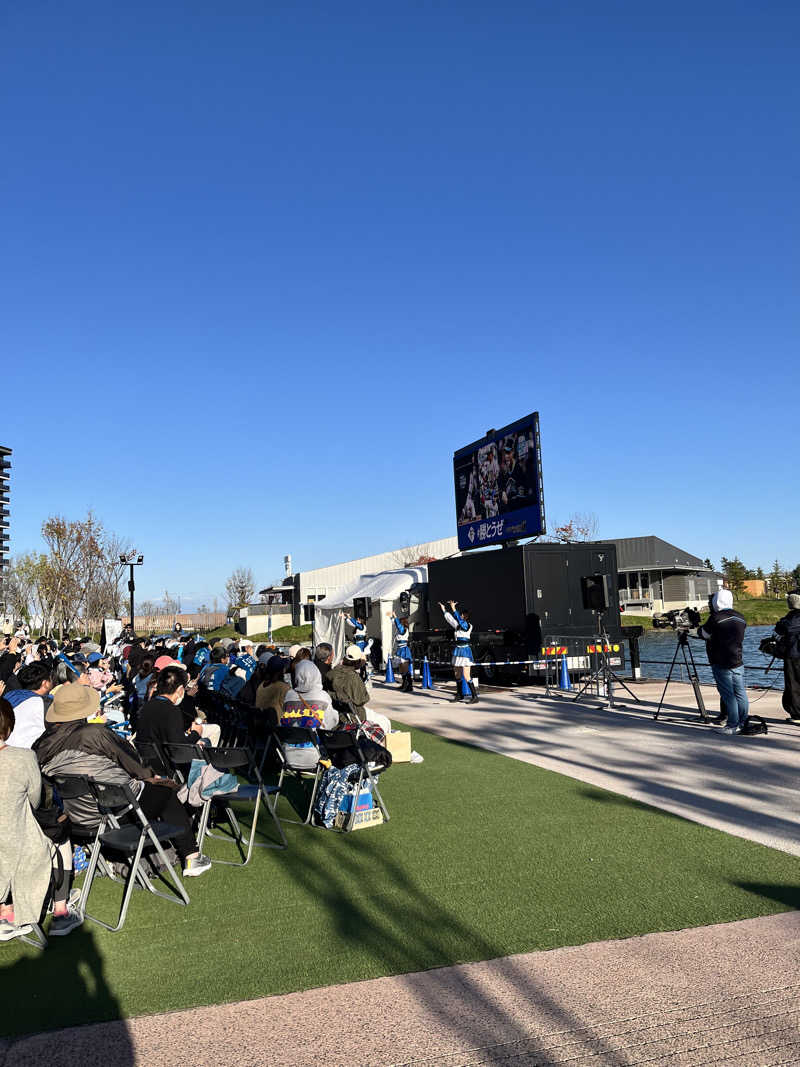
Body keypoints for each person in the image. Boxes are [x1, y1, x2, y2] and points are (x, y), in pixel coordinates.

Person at [34, 683, 212, 878]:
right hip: (112, 811)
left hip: (75, 818)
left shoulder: (42, 745)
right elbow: (136, 766)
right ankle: (191, 855)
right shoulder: (95, 734)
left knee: (148, 789)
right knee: (165, 793)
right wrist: (151, 777)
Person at [0, 699, 60, 941]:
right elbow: (36, 800)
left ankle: (7, 908)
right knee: (47, 838)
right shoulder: (24, 757)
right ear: (9, 727)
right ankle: (11, 911)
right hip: (15, 843)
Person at [696, 589, 749, 734]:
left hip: (720, 660)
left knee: (727, 694)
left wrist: (699, 629)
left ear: (716, 601)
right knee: (740, 692)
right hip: (737, 659)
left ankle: (732, 725)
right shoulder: (741, 617)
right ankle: (743, 722)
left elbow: (704, 634)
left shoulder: (716, 618)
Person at [280, 660, 338, 770]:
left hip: (288, 755)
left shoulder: (289, 695)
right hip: (316, 756)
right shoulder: (322, 696)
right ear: (317, 675)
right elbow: (331, 723)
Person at [4, 662, 54, 748]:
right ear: (45, 683)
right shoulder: (46, 703)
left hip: (5, 749)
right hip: (28, 754)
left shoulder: (10, 695)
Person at [440, 600, 478, 704]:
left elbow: (459, 621)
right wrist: (444, 609)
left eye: (461, 615)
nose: (460, 616)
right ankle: (460, 694)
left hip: (465, 651)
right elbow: (450, 619)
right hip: (458, 650)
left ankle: (475, 696)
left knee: (466, 675)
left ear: (465, 616)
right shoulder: (458, 626)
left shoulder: (468, 626)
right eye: (460, 615)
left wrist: (453, 608)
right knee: (457, 674)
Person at [774, 590, 800, 723]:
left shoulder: (794, 617)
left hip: (794, 655)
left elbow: (785, 628)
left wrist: (782, 623)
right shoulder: (792, 616)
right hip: (794, 653)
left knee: (793, 684)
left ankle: (797, 714)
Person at [326, 645, 371, 722]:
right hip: (353, 718)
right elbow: (361, 700)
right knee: (383, 720)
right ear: (358, 662)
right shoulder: (354, 677)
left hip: (335, 713)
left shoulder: (331, 673)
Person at [255, 655, 291, 725]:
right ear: (282, 670)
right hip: (278, 729)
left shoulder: (261, 685)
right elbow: (289, 710)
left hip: (262, 727)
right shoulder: (283, 687)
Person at [389, 611, 414, 692]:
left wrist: (395, 615)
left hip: (404, 650)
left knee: (405, 668)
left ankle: (409, 686)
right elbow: (395, 624)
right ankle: (404, 684)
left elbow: (398, 626)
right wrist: (391, 617)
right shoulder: (400, 630)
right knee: (401, 669)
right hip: (399, 649)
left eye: (399, 622)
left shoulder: (403, 629)